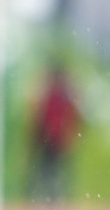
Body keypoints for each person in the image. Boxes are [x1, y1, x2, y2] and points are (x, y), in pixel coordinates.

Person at [30, 65, 80, 202]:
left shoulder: (63, 96)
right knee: (46, 169)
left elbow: (72, 116)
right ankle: (46, 198)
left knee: (56, 170)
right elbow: (38, 115)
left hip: (58, 139)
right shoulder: (49, 95)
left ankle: (55, 198)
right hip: (48, 138)